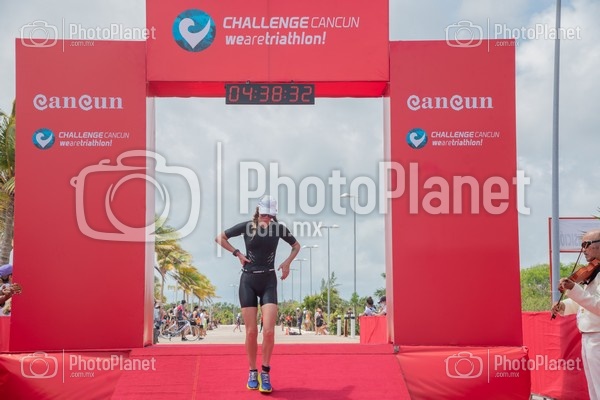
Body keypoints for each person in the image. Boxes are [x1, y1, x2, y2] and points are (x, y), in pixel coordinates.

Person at [215, 195, 300, 393]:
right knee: (251, 332)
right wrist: (237, 253)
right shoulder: (247, 227)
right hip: (248, 281)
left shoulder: (278, 229)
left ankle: (265, 372)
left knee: (269, 331)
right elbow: (220, 238)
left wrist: (287, 263)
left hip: (269, 281)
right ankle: (252, 371)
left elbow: (296, 246)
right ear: (258, 211)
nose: (267, 218)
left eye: (270, 215)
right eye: (264, 214)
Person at [551, 230, 600, 400]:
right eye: (582, 245)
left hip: (598, 336)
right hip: (590, 336)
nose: (583, 249)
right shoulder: (594, 271)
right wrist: (564, 305)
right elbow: (586, 302)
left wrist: (574, 289)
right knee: (594, 388)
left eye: (586, 245)